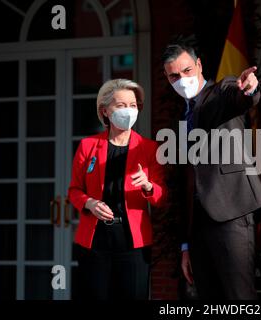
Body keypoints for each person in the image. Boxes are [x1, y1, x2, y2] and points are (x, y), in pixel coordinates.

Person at [162, 44, 261, 299]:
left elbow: (240, 96)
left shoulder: (220, 91)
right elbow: (187, 180)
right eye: (174, 76)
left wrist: (249, 88)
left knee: (239, 297)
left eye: (187, 70)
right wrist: (185, 245)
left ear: (199, 65)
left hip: (230, 213)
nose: (182, 80)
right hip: (198, 224)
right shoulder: (183, 116)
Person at [68, 79, 166, 300]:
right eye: (121, 105)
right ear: (105, 111)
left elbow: (161, 197)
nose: (129, 110)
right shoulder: (88, 145)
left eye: (133, 105)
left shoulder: (150, 149)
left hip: (133, 243)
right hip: (94, 242)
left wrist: (148, 186)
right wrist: (89, 203)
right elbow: (74, 190)